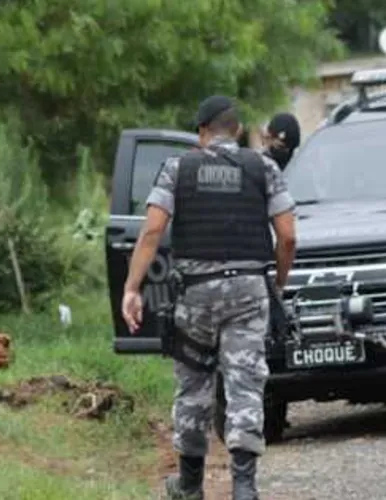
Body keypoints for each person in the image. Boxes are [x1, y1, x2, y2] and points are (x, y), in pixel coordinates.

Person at [120, 95, 297, 500]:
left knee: (193, 387)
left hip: (197, 294)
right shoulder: (263, 167)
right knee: (245, 385)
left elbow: (150, 233)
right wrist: (278, 284)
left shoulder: (177, 168)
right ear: (236, 130)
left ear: (201, 132)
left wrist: (132, 288)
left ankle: (190, 485)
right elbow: (287, 235)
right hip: (249, 290)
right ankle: (245, 487)